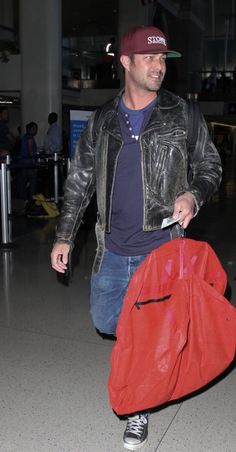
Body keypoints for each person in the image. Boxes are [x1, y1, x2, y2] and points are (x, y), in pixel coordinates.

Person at [51, 25, 222, 450]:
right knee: (106, 320)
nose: (159, 66)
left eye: (163, 59)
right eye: (150, 58)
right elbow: (80, 181)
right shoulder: (103, 120)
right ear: (125, 62)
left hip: (160, 249)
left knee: (142, 331)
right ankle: (149, 357)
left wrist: (193, 193)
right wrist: (65, 236)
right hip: (112, 248)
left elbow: (210, 167)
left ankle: (138, 407)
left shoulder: (182, 114)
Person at [18, 121, 38, 207]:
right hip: (29, 163)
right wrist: (34, 161)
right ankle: (31, 200)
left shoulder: (24, 137)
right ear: (31, 129)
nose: (36, 131)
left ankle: (24, 200)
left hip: (23, 163)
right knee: (33, 182)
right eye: (35, 129)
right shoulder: (30, 137)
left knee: (24, 182)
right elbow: (30, 150)